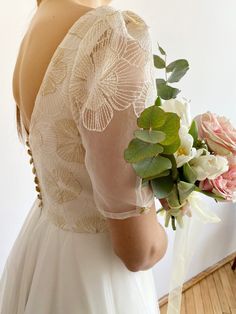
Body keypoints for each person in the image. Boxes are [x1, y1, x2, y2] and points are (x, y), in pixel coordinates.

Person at [0, 0, 168, 313]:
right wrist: (169, 223)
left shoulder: (42, 15)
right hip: (94, 276)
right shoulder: (111, 39)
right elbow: (139, 252)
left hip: (44, 249)